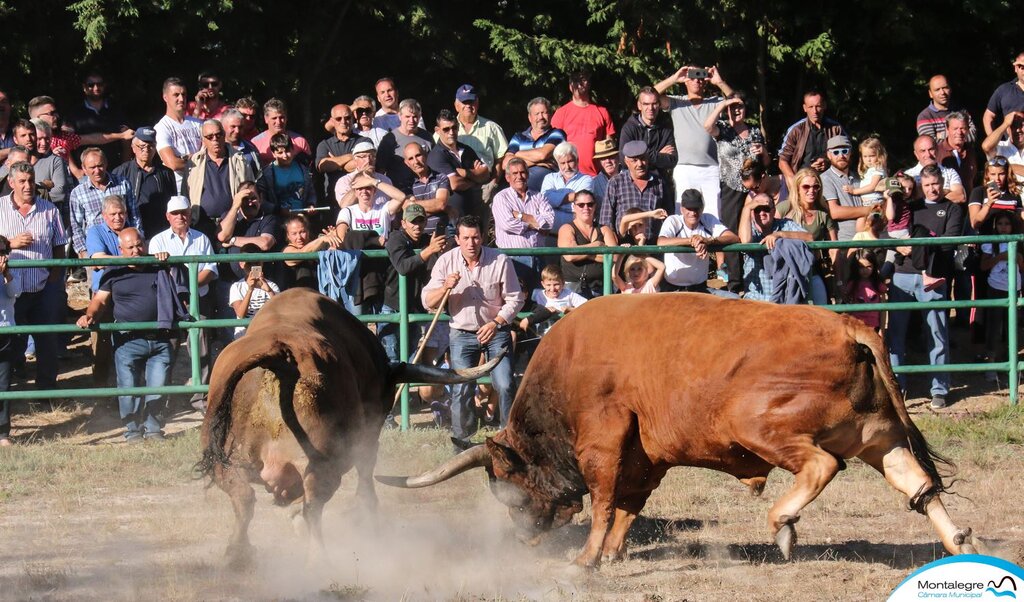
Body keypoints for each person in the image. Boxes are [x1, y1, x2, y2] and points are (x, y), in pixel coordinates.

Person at [422, 215, 524, 445]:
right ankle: (462, 441)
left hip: (496, 330)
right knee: (460, 388)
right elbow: (427, 301)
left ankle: (508, 439)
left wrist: (496, 322)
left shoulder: (500, 260)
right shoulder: (445, 262)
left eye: (476, 237)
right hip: (461, 332)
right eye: (466, 238)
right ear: (457, 239)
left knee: (506, 383)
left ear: (482, 237)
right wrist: (445, 288)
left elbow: (515, 299)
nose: (471, 243)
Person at [76, 228, 179, 442]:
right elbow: (100, 300)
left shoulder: (158, 265)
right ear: (120, 249)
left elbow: (183, 276)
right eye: (130, 247)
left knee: (158, 387)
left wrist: (166, 259)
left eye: (139, 245)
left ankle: (153, 430)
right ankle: (132, 432)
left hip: (159, 336)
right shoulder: (114, 271)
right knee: (128, 389)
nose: (136, 250)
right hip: (128, 338)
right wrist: (90, 315)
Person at [887, 165, 963, 410]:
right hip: (902, 275)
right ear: (922, 185)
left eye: (936, 184)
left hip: (933, 277)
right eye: (928, 184)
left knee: (937, 333)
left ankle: (939, 389)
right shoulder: (911, 206)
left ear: (943, 183)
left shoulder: (952, 209)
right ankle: (897, 386)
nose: (932, 189)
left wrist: (919, 244)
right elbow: (889, 230)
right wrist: (898, 246)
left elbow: (948, 244)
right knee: (896, 334)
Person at [0, 162, 67, 391]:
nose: (28, 186)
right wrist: (10, 243)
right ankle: (10, 394)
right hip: (9, 291)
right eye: (22, 181)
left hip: (42, 288)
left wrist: (53, 279)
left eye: (30, 181)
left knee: (47, 342)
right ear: (11, 183)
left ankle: (46, 392)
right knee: (10, 342)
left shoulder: (50, 210)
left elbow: (59, 247)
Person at [148, 196, 218, 411]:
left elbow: (211, 270)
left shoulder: (202, 238)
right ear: (168, 216)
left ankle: (201, 397)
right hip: (169, 302)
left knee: (202, 348)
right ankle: (162, 399)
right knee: (166, 350)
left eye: (184, 212)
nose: (180, 216)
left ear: (189, 214)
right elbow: (156, 275)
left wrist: (188, 290)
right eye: (176, 213)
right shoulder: (157, 241)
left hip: (198, 299)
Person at [654, 64, 733, 216]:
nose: (696, 80)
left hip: (711, 168)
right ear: (686, 81)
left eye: (700, 77)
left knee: (713, 212)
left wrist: (719, 82)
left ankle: (713, 240)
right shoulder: (676, 102)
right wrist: (674, 78)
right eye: (692, 77)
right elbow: (649, 96)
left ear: (705, 81)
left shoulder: (715, 102)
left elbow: (736, 101)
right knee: (683, 211)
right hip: (683, 167)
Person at [382, 204, 447, 362]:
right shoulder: (395, 238)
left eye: (420, 221)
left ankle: (406, 387)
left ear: (425, 223)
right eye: (413, 222)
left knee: (410, 358)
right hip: (393, 306)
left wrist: (441, 251)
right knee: (391, 357)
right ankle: (394, 388)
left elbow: (435, 271)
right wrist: (430, 250)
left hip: (415, 307)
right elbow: (403, 267)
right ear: (403, 223)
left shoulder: (427, 241)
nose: (417, 226)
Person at [657, 189, 739, 295]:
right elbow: (661, 242)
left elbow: (733, 238)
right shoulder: (673, 221)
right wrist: (692, 240)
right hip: (673, 289)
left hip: (701, 289)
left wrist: (708, 241)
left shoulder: (708, 219)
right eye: (689, 209)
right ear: (681, 209)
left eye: (696, 208)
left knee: (734, 298)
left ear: (702, 208)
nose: (693, 213)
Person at [69, 147, 139, 268]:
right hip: (96, 250)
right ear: (84, 169)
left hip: (126, 248)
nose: (97, 171)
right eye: (92, 167)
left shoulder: (123, 183)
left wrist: (137, 240)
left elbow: (134, 214)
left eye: (100, 165)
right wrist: (84, 252)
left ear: (106, 164)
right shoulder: (78, 193)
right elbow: (76, 226)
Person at [183, 119, 255, 234]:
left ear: (224, 135)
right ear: (203, 140)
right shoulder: (194, 163)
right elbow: (185, 195)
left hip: (235, 223)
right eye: (210, 137)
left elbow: (252, 191)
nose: (215, 139)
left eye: (218, 135)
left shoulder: (241, 160)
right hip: (201, 224)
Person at [491, 157, 555, 289]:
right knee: (516, 298)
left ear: (527, 174)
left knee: (539, 298)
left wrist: (520, 216)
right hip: (513, 258)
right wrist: (535, 224)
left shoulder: (539, 196)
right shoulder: (501, 198)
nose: (519, 176)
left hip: (538, 256)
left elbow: (549, 223)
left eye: (522, 172)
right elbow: (508, 225)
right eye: (515, 173)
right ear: (508, 177)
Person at [737, 192, 812, 302]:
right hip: (756, 297)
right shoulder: (749, 229)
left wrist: (780, 235)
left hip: (785, 297)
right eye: (757, 209)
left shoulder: (785, 225)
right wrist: (746, 208)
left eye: (766, 209)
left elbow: (809, 237)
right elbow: (745, 242)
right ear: (752, 213)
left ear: (773, 210)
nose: (762, 213)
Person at [782, 169, 838, 305]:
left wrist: (839, 281)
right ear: (797, 188)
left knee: (821, 312)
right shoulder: (785, 208)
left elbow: (834, 248)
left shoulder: (823, 214)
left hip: (814, 270)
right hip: (789, 271)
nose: (811, 190)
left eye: (816, 186)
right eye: (806, 186)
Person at [980, 211, 1023, 383]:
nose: (1004, 228)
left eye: (1007, 224)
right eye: (1000, 224)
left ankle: (1011, 363)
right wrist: (1000, 257)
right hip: (995, 288)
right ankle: (991, 364)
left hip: (1014, 289)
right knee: (994, 327)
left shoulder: (1018, 242)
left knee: (1012, 327)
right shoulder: (991, 244)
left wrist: (1018, 259)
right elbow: (983, 266)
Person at [113, 126, 177, 238]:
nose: (146, 150)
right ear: (133, 147)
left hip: (160, 231)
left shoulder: (166, 173)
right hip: (132, 232)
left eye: (151, 146)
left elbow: (172, 202)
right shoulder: (121, 172)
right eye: (142, 146)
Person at [428, 109, 490, 222]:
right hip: (450, 219)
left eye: (454, 128)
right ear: (437, 130)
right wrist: (475, 179)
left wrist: (466, 173)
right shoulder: (436, 155)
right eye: (446, 129)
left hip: (473, 214)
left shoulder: (466, 149)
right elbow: (454, 184)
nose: (451, 132)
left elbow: (485, 174)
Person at [550, 70, 615, 176]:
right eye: (575, 80)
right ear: (570, 86)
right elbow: (552, 147)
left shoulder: (602, 112)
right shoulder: (561, 113)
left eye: (583, 79)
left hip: (596, 176)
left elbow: (609, 147)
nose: (579, 83)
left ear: (589, 84)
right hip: (569, 176)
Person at [450, 84, 507, 203]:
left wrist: (494, 183)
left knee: (483, 222)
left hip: (485, 186)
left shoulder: (492, 128)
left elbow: (500, 159)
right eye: (464, 102)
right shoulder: (446, 129)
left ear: (477, 103)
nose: (468, 106)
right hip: (456, 187)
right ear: (456, 105)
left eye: (471, 101)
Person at [599, 140, 665, 244]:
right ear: (626, 162)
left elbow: (668, 216)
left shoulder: (659, 183)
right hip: (625, 247)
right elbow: (606, 221)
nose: (640, 164)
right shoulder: (616, 182)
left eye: (643, 159)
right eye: (634, 160)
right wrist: (615, 250)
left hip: (653, 247)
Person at [619, 86, 676, 203]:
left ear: (659, 105)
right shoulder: (629, 128)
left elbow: (672, 159)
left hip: (659, 184)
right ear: (639, 106)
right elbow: (623, 159)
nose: (651, 108)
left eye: (654, 103)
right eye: (646, 104)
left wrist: (638, 156)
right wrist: (658, 155)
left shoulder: (665, 128)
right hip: (633, 185)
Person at [777, 90, 847, 178]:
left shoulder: (836, 128)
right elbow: (783, 161)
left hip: (831, 179)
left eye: (818, 106)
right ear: (804, 108)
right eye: (811, 107)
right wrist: (793, 181)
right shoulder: (796, 130)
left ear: (824, 105)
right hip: (802, 180)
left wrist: (829, 162)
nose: (815, 111)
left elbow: (848, 154)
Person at [504, 97, 566, 192]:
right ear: (530, 117)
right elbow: (505, 164)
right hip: (520, 193)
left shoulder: (557, 133)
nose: (540, 117)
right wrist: (538, 162)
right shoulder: (518, 137)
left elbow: (542, 154)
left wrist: (517, 154)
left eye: (544, 113)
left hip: (549, 192)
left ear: (550, 115)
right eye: (537, 114)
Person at [154, 77, 203, 191]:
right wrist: (200, 160)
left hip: (203, 185)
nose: (181, 99)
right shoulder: (162, 127)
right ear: (165, 97)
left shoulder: (198, 124)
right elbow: (172, 163)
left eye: (184, 94)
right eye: (176, 95)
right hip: (179, 189)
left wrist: (185, 158)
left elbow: (211, 153)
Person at [376, 99, 434, 192]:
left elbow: (433, 164)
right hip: (400, 190)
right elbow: (380, 169)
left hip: (425, 188)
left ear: (419, 117)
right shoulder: (390, 139)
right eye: (407, 117)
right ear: (400, 116)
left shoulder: (427, 137)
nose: (411, 120)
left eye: (415, 116)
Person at [557, 189, 605, 298]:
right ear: (574, 207)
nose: (586, 208)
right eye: (581, 205)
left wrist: (581, 252)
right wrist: (596, 246)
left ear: (595, 206)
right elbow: (570, 256)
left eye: (590, 204)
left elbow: (614, 257)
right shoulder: (566, 228)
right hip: (572, 289)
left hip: (601, 287)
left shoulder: (604, 229)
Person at [519, 263, 587, 334]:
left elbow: (587, 306)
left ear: (563, 283)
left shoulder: (569, 294)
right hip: (543, 334)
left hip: (565, 332)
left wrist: (570, 310)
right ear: (543, 284)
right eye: (548, 285)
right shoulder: (539, 295)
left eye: (556, 284)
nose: (552, 288)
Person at [229, 245, 280, 339]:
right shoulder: (236, 287)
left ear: (261, 263)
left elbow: (279, 310)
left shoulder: (272, 286)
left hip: (267, 333)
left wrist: (269, 291)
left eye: (256, 263)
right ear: (241, 264)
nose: (253, 267)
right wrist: (250, 289)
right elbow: (240, 314)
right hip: (244, 335)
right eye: (249, 263)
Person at [540, 141, 593, 231]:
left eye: (570, 161)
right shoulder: (549, 178)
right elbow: (544, 201)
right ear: (558, 163)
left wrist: (555, 201)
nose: (567, 167)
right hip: (550, 234)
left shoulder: (587, 179)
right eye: (563, 163)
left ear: (577, 160)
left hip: (575, 232)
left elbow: (582, 201)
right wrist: (571, 196)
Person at [403, 141, 452, 236]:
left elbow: (441, 204)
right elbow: (408, 211)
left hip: (441, 235)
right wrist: (443, 209)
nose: (416, 161)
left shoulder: (441, 178)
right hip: (418, 237)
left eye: (418, 155)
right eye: (411, 158)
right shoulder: (405, 184)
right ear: (407, 163)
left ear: (425, 155)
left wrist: (413, 205)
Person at [281, 213, 340, 290]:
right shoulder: (287, 250)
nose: (299, 237)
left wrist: (333, 241)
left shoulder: (318, 246)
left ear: (308, 231)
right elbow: (301, 254)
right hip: (297, 297)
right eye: (294, 234)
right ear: (288, 235)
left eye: (302, 232)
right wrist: (322, 239)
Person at [258, 133, 314, 213]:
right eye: (280, 153)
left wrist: (311, 204)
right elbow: (261, 200)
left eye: (287, 151)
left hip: (301, 216)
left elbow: (311, 191)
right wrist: (277, 210)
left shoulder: (303, 169)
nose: (285, 156)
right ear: (273, 154)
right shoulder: (267, 174)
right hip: (277, 218)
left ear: (293, 150)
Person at [315, 103, 359, 202]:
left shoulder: (364, 141)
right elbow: (323, 166)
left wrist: (335, 162)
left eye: (347, 118)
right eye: (338, 119)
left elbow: (361, 164)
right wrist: (352, 156)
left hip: (359, 200)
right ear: (332, 121)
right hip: (332, 199)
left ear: (352, 119)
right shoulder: (325, 144)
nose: (344, 122)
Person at [250, 98, 312, 166]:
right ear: (266, 119)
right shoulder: (255, 143)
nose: (278, 122)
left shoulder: (300, 142)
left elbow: (308, 168)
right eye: (274, 118)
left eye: (282, 117)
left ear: (286, 118)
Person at [904, 135, 965, 202]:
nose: (928, 154)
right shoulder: (909, 176)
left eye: (931, 149)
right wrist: (945, 192)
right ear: (916, 154)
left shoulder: (950, 173)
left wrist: (924, 196)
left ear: (937, 149)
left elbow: (960, 196)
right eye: (923, 151)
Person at [916, 75, 977, 143]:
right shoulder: (925, 116)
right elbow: (931, 145)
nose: (942, 92)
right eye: (937, 90)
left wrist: (941, 135)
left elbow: (973, 135)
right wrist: (960, 136)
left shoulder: (962, 111)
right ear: (930, 94)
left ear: (950, 89)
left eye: (945, 88)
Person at [968, 157, 1023, 231]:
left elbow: (1020, 224)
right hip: (987, 239)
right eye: (993, 174)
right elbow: (974, 224)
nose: (997, 179)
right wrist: (989, 203)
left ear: (1007, 174)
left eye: (1001, 174)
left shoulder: (1014, 194)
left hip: (1009, 240)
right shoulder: (979, 192)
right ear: (987, 174)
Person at [846, 137, 888, 232]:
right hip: (866, 205)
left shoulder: (878, 169)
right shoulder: (868, 171)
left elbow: (872, 186)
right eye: (865, 156)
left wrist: (854, 191)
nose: (868, 159)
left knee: (871, 226)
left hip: (876, 204)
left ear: (879, 155)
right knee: (860, 226)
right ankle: (860, 244)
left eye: (872, 156)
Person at [0, 236, 19, 446]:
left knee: (4, 384)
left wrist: (7, 275)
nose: (1, 256)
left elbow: (16, 293)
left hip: (5, 331)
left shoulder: (11, 269)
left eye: (4, 251)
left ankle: (2, 433)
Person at [842, 249, 887, 333]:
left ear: (874, 266)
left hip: (874, 326)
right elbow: (848, 307)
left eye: (869, 266)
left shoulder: (878, 285)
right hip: (857, 327)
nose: (865, 270)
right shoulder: (852, 285)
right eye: (861, 267)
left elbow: (883, 309)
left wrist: (882, 329)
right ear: (856, 267)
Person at [982, 51, 1024, 136]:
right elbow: (988, 116)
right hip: (1010, 147)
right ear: (1015, 68)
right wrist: (993, 143)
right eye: (1022, 67)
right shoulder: (1004, 90)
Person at [27, 119, 69, 205]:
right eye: (39, 139)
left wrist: (29, 201)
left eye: (47, 138)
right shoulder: (17, 159)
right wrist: (43, 186)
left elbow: (59, 193)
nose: (44, 143)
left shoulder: (55, 161)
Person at [936, 112, 978, 191]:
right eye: (955, 128)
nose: (959, 132)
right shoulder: (937, 152)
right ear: (947, 130)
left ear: (968, 130)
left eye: (963, 128)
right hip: (948, 201)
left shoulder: (971, 151)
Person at [221, 108, 261, 176]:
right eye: (233, 126)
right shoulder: (216, 150)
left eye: (240, 127)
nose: (237, 131)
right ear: (222, 126)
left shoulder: (251, 150)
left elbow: (259, 175)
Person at [591, 138, 621, 204]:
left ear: (618, 157)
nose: (608, 161)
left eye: (611, 157)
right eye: (603, 158)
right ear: (598, 162)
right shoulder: (594, 184)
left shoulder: (630, 177)